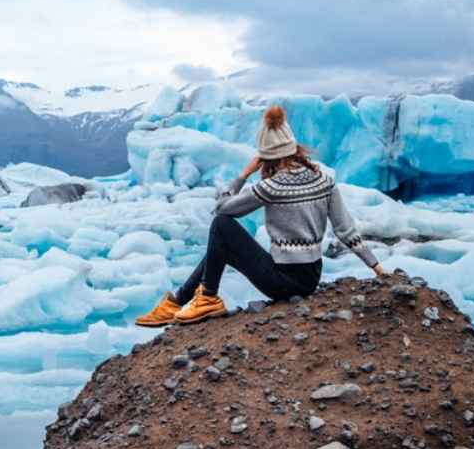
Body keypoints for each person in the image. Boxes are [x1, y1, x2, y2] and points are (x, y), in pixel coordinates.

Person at [136, 104, 387, 326]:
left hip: (283, 283)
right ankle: (180, 301)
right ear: (294, 149)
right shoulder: (324, 178)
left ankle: (207, 297)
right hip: (310, 278)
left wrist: (244, 174)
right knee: (222, 245)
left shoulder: (272, 187)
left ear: (266, 157)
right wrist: (376, 266)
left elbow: (222, 209)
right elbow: (346, 229)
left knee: (222, 227)